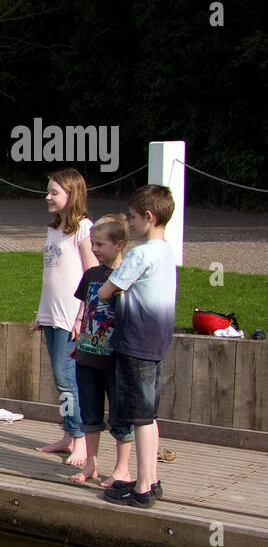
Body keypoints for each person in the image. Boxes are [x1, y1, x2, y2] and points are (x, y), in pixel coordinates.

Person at [96, 185, 177, 508]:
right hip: (156, 340)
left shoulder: (141, 254)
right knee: (150, 413)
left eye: (132, 218)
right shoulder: (166, 252)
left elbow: (105, 291)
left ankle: (142, 487)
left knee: (139, 417)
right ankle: (152, 478)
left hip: (135, 342)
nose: (129, 224)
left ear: (149, 217)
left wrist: (111, 288)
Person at [33, 168, 97, 466]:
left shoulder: (84, 229)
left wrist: (82, 316)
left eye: (54, 192)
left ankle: (80, 439)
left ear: (72, 195)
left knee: (65, 377)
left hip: (71, 316)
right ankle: (68, 435)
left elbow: (93, 276)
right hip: (51, 314)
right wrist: (40, 312)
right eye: (48, 191)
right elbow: (50, 275)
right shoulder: (54, 229)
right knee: (60, 379)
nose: (48, 196)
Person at [68, 215, 134, 487]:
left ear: (119, 245)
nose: (94, 249)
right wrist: (79, 342)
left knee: (120, 413)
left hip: (115, 358)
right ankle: (91, 462)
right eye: (92, 243)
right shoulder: (91, 275)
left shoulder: (127, 277)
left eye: (100, 245)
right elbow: (86, 310)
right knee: (90, 411)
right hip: (87, 355)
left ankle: (122, 468)